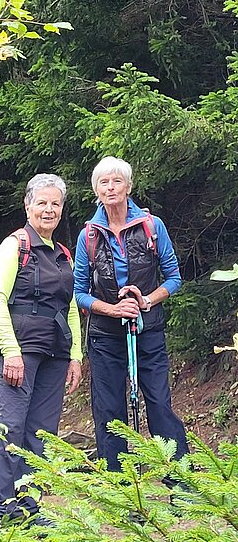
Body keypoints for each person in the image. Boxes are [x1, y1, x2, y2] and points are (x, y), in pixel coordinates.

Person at [0, 173, 82, 530]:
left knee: (41, 432)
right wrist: (11, 352)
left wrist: (76, 356)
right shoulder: (14, 246)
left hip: (55, 353)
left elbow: (69, 307)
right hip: (18, 351)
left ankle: (26, 507)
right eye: (42, 203)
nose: (49, 210)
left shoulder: (63, 254)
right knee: (8, 428)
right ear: (28, 206)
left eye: (55, 204)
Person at [74, 156, 188, 473]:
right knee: (109, 411)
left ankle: (182, 484)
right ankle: (119, 486)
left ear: (128, 186)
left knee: (160, 405)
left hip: (148, 330)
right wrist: (113, 309)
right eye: (104, 182)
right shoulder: (89, 235)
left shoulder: (152, 226)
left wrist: (146, 300)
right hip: (105, 337)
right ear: (96, 190)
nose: (111, 188)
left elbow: (173, 278)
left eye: (117, 181)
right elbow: (79, 292)